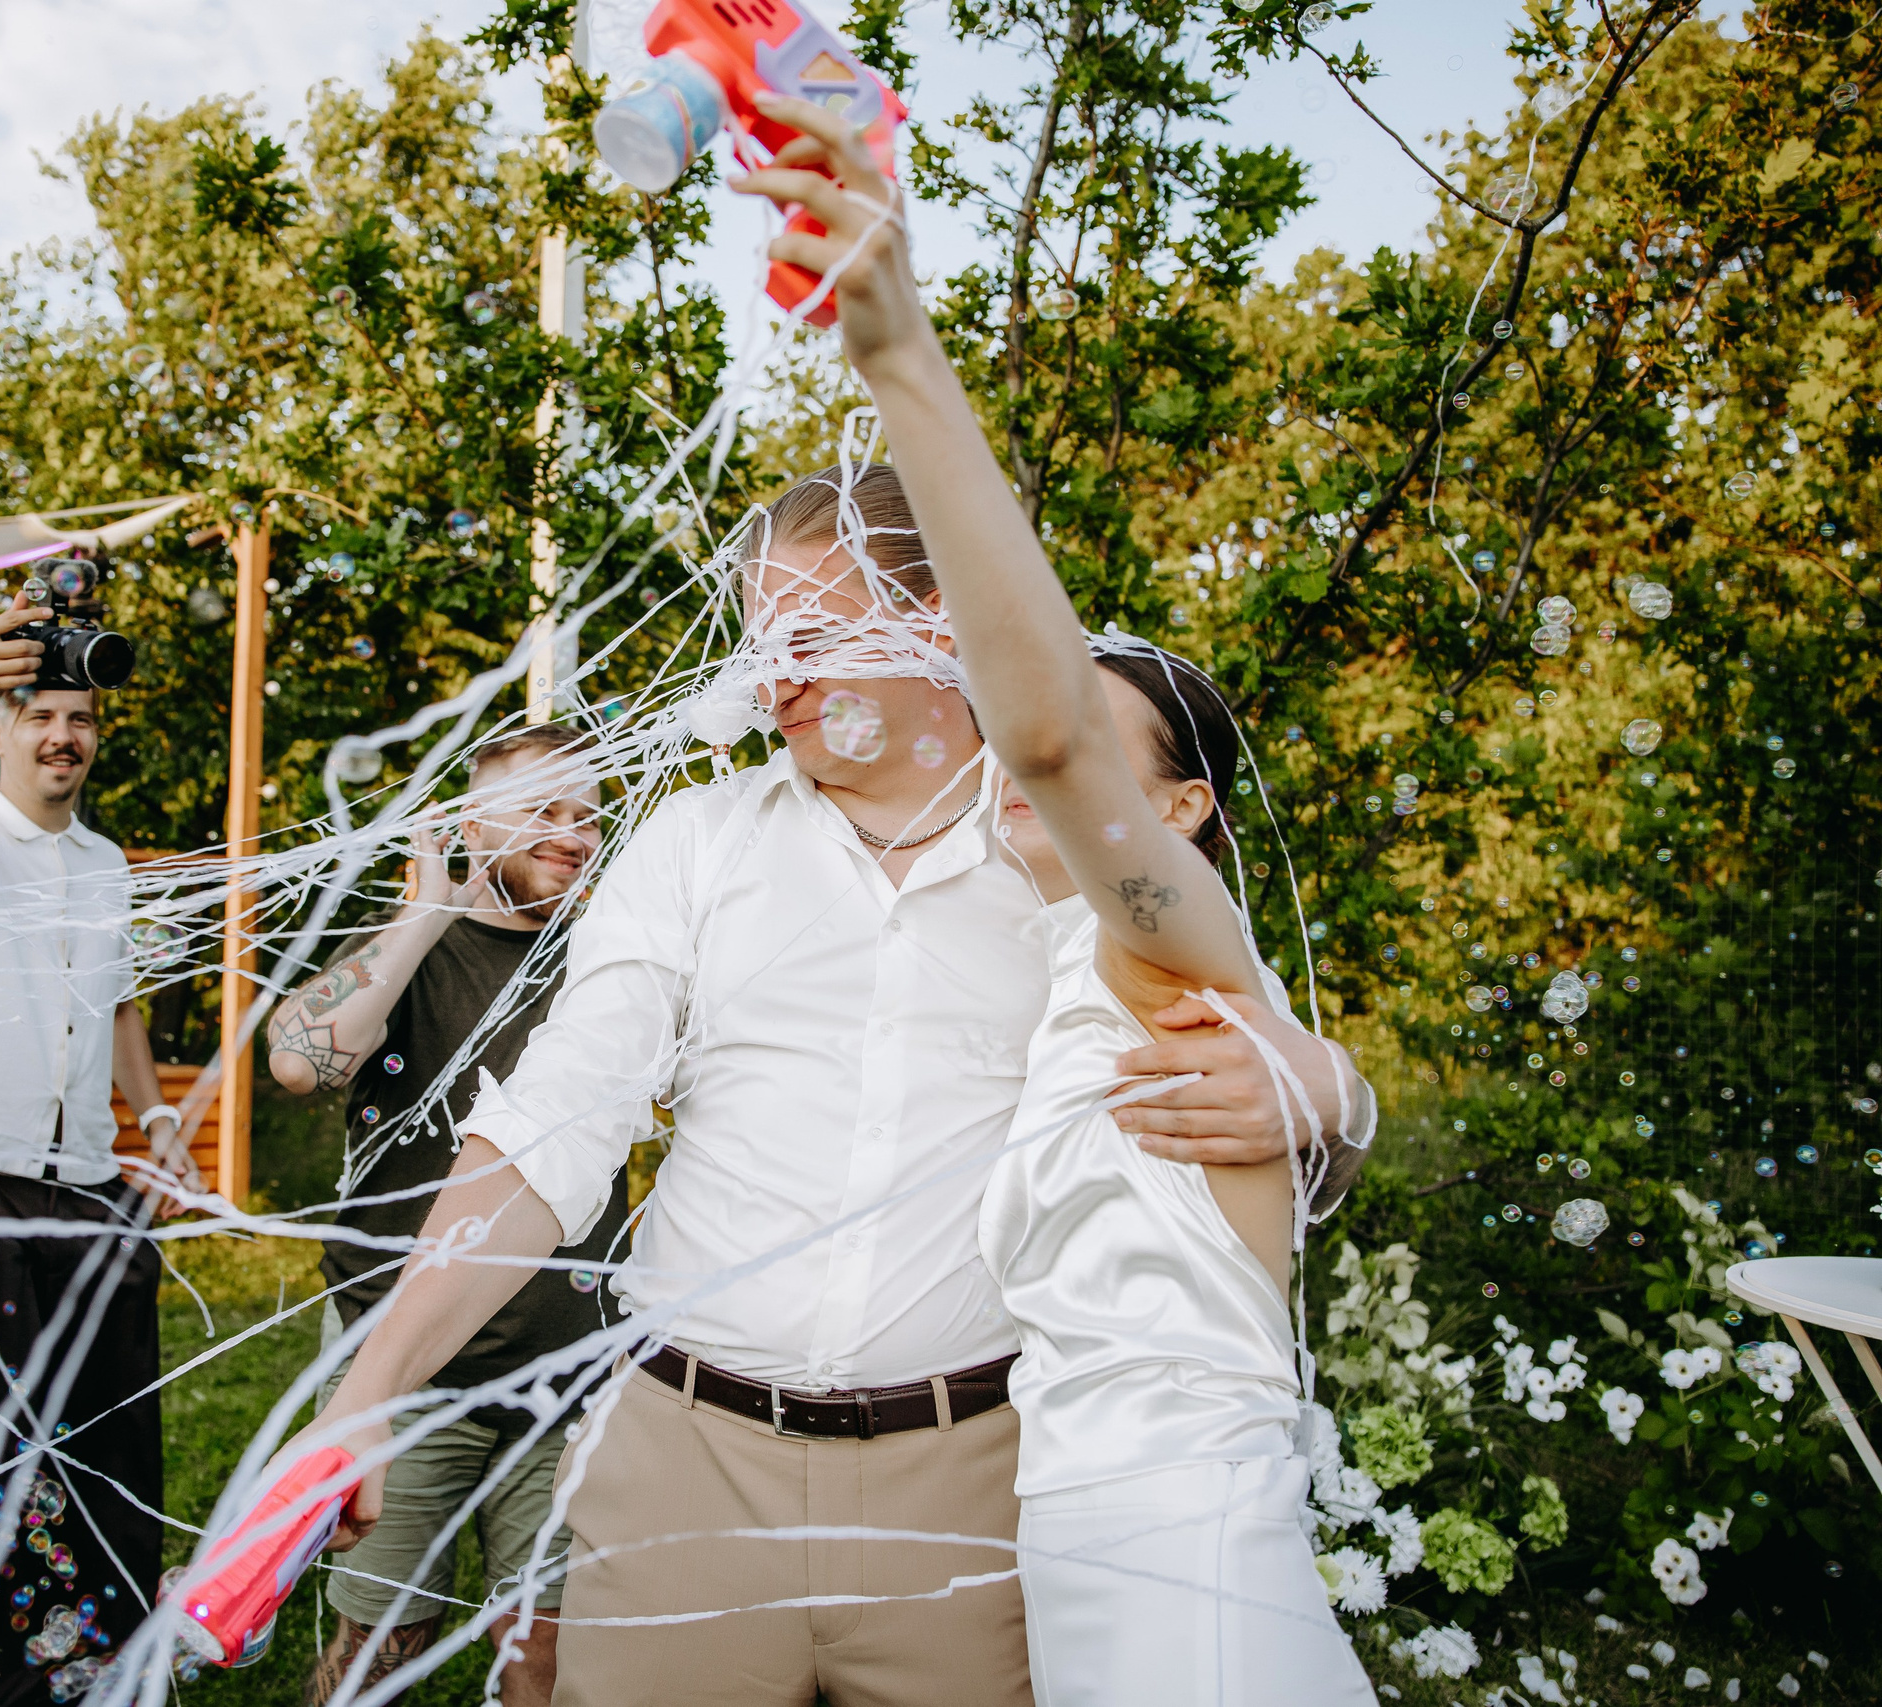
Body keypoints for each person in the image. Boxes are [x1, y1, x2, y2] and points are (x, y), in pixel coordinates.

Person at [286, 503, 1376, 1699]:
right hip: (680, 1473)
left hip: (977, 1494)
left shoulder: (1063, 848)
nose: (776, 680)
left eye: (809, 635)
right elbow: (555, 1120)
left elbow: (1248, 1106)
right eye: (760, 644)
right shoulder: (696, 843)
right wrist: (371, 1389)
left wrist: (1330, 1093)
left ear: (933, 625)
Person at [733, 95, 1377, 1701]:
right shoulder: (1052, 964)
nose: (1047, 773)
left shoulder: (1170, 951)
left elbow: (1041, 731)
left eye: (1103, 760)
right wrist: (1339, 1092)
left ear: (1180, 812)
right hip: (1070, 1548)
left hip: (1194, 1557)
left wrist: (898, 352)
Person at [0, 592, 201, 1704]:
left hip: (90, 1185)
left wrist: (158, 1123)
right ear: (1, 733)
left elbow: (118, 1004)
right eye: (41, 717)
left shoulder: (108, 863)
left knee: (109, 1427)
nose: (64, 736)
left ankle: (105, 1654)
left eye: (81, 719)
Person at [265, 723, 614, 1707]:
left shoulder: (609, 964)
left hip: (562, 1369)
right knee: (378, 1646)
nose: (572, 833)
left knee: (544, 1653)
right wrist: (426, 911)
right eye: (543, 809)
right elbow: (298, 1059)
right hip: (404, 1370)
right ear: (469, 825)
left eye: (587, 815)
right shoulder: (410, 949)